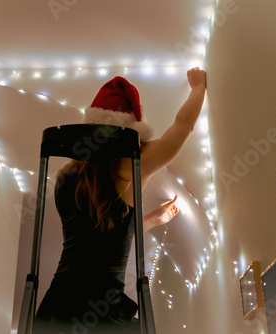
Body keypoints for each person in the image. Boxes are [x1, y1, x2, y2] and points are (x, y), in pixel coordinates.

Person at [32, 68, 207, 334]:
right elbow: (182, 128)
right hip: (99, 308)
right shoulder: (127, 167)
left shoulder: (66, 177)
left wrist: (153, 220)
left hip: (58, 304)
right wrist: (198, 88)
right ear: (129, 129)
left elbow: (101, 237)